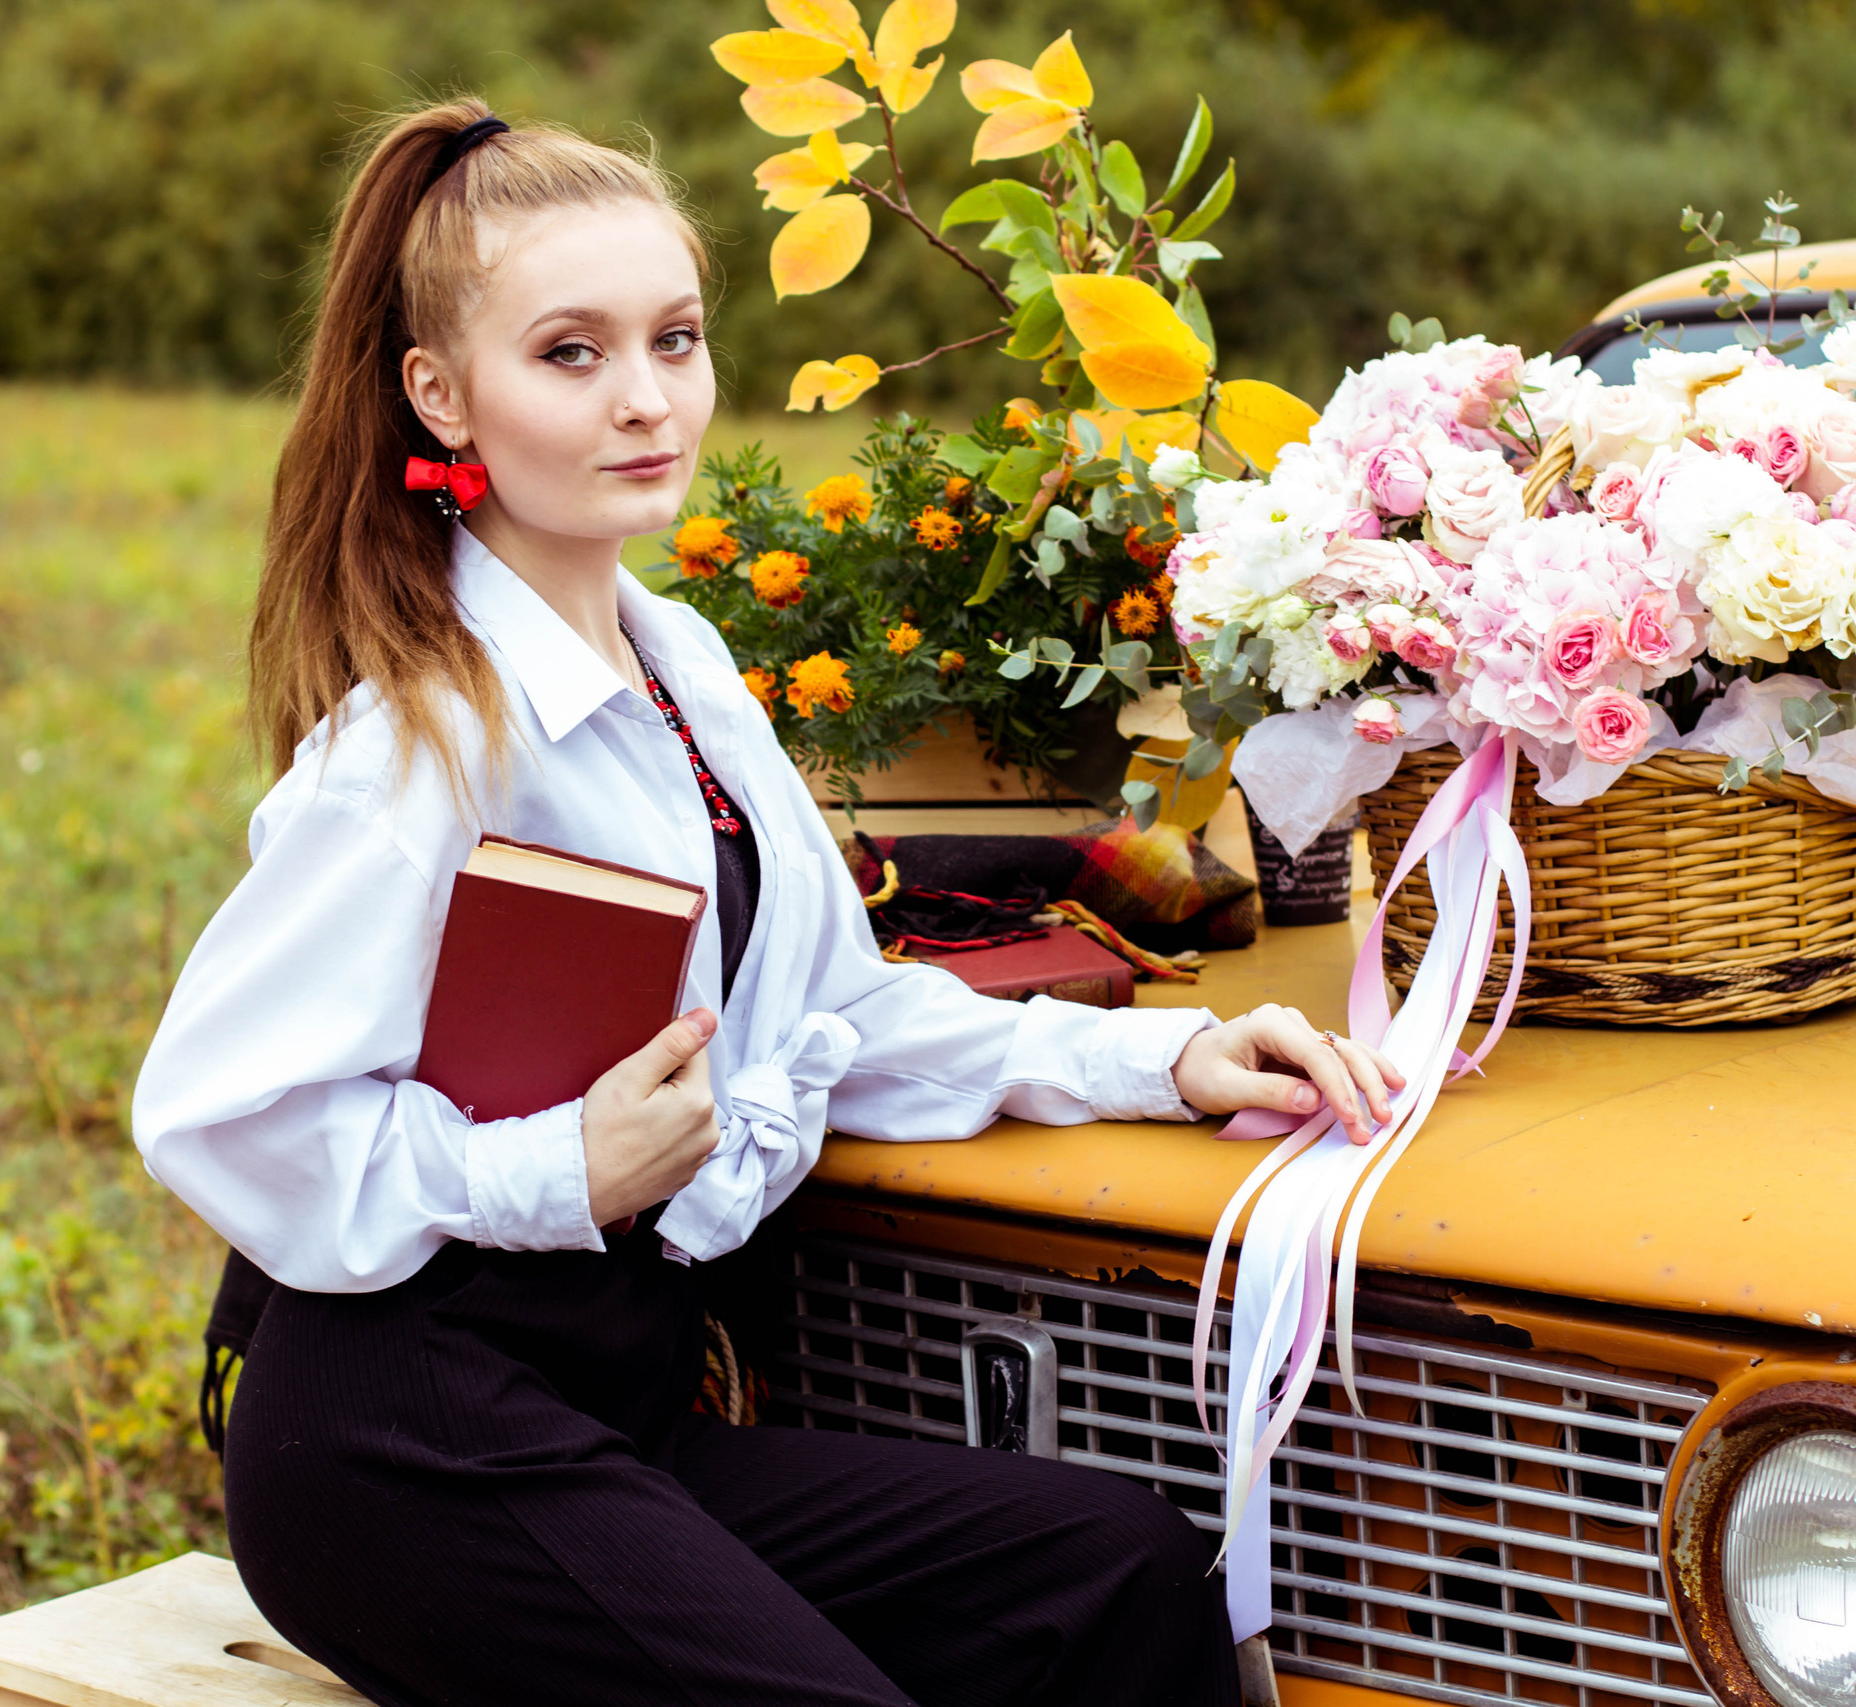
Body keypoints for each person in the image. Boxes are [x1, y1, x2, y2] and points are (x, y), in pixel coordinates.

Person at [130, 96, 1405, 1707]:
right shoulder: (423, 743)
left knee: (1120, 1575)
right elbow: (212, 1111)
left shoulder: (684, 667)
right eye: (572, 354)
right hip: (403, 1441)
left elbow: (832, 1014)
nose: (645, 399)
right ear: (441, 394)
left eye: (673, 338)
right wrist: (554, 1169)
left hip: (614, 1412)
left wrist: (1158, 1066)